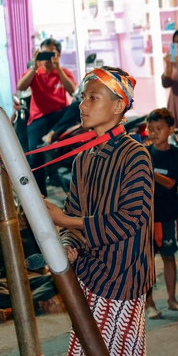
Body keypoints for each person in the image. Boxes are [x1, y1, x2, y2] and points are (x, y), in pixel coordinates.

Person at [44, 67, 154, 355]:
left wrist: (63, 220)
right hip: (88, 274)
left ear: (119, 106)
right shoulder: (83, 159)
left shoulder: (135, 155)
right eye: (83, 97)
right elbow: (74, 216)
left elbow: (129, 221)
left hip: (122, 279)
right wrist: (69, 246)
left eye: (93, 97)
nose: (83, 105)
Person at [144, 108, 178, 320]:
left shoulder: (176, 154)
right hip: (147, 216)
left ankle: (172, 299)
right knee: (147, 261)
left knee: (169, 257)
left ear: (171, 129)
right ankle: (149, 303)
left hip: (168, 214)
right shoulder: (144, 153)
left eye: (159, 128)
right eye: (150, 129)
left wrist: (149, 172)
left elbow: (173, 183)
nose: (153, 133)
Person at [17, 38, 76, 197]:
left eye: (51, 54)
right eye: (44, 54)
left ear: (58, 54)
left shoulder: (64, 72)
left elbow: (73, 92)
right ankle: (40, 198)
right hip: (39, 119)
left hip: (60, 117)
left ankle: (52, 134)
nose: (47, 59)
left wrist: (58, 69)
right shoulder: (36, 73)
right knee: (34, 159)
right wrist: (33, 68)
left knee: (77, 105)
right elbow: (20, 87)